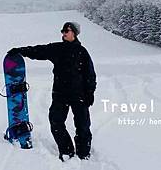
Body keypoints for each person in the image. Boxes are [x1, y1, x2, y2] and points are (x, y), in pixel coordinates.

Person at [8, 21, 96, 161]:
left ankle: (83, 152)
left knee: (82, 124)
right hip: (60, 94)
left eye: (66, 30)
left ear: (74, 32)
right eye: (62, 30)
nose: (63, 33)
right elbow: (38, 50)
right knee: (56, 121)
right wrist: (20, 50)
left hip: (79, 94)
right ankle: (66, 150)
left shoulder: (82, 52)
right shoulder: (57, 48)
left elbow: (90, 75)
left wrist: (90, 93)